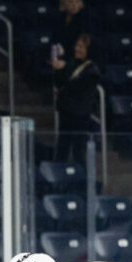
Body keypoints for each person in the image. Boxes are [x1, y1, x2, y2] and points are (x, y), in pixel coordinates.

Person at [52, 34, 100, 166]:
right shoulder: (72, 63)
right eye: (77, 45)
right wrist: (58, 69)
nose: (77, 49)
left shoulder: (92, 70)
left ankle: (83, 182)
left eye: (81, 47)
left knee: (78, 151)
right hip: (66, 113)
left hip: (79, 116)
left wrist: (64, 69)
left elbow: (75, 86)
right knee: (62, 148)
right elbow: (59, 82)